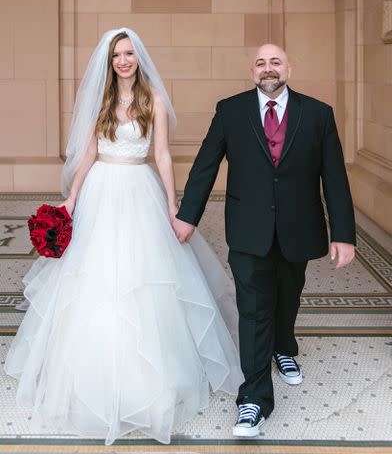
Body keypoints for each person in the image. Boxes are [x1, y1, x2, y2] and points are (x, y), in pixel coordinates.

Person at [5, 28, 243, 445]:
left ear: (139, 57)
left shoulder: (154, 102)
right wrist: (73, 198)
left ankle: (150, 384)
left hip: (140, 191)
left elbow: (164, 156)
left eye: (129, 53)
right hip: (100, 190)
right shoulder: (102, 101)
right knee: (93, 281)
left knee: (145, 282)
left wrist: (173, 205)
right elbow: (88, 154)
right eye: (117, 54)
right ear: (109, 61)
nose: (123, 60)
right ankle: (91, 381)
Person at [172, 44, 356, 437]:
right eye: (260, 63)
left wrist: (344, 234)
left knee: (288, 295)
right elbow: (206, 164)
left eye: (275, 62)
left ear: (289, 67)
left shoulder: (318, 113)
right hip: (248, 227)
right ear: (252, 71)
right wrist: (187, 216)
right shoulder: (230, 110)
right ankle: (253, 399)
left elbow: (335, 177)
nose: (268, 68)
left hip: (299, 227)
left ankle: (284, 347)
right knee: (253, 308)